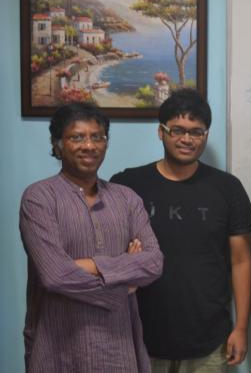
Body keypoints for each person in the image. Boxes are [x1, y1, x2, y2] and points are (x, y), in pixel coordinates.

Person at [111, 89, 251, 373]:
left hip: (208, 341)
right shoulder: (128, 184)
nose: (187, 139)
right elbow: (110, 253)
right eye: (177, 130)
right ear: (161, 132)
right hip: (139, 338)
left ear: (205, 135)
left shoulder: (228, 188)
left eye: (196, 132)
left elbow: (242, 260)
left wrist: (241, 328)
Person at [19, 102, 164, 373]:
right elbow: (55, 276)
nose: (89, 145)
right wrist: (124, 283)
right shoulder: (39, 198)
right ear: (58, 144)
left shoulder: (126, 198)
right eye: (77, 137)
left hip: (119, 349)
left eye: (97, 137)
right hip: (59, 348)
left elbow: (154, 262)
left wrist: (89, 265)